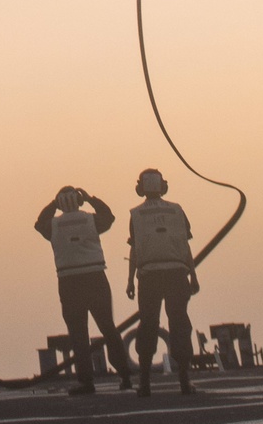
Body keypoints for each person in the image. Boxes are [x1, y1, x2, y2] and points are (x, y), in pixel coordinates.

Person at [35, 185, 132, 394]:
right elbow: (109, 216)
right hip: (95, 277)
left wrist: (53, 204)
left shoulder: (53, 225)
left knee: (78, 333)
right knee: (108, 327)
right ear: (78, 201)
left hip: (69, 281)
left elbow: (38, 224)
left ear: (59, 203)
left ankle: (86, 382)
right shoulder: (91, 220)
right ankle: (125, 374)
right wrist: (90, 198)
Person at [126, 170, 199, 397]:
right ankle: (185, 380)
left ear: (140, 188)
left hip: (149, 276)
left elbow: (135, 249)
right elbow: (185, 246)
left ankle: (145, 382)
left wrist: (130, 280)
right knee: (179, 323)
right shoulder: (177, 210)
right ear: (163, 186)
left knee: (148, 324)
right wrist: (193, 276)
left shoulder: (136, 215)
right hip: (177, 273)